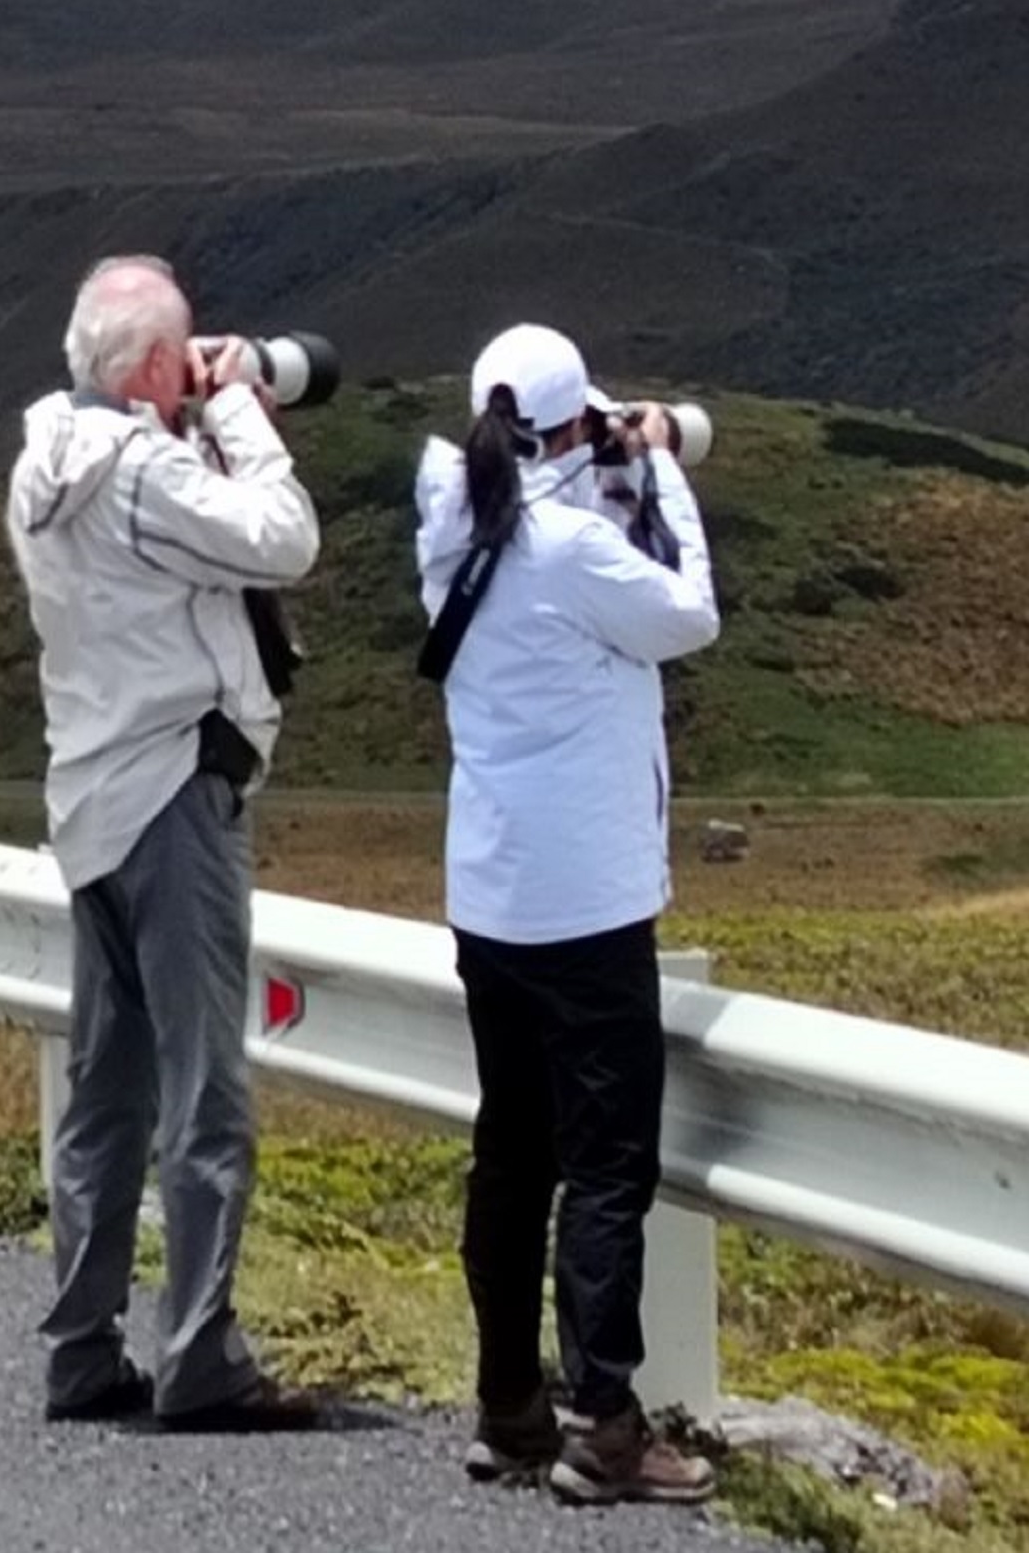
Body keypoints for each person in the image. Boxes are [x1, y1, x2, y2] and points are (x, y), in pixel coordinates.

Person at [2, 252, 330, 1430]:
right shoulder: (140, 474)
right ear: (154, 368)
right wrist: (236, 405)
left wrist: (184, 408)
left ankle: (83, 1347)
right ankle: (200, 1351)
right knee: (205, 1088)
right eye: (181, 353)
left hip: (90, 802)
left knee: (106, 1091)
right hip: (173, 799)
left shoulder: (44, 458)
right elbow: (284, 538)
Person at [413, 319, 722, 1506]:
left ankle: (508, 1406)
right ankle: (605, 1420)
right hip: (590, 903)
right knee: (605, 1166)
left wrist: (599, 458)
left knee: (512, 1150)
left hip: (489, 893)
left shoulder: (452, 508)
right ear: (562, 430)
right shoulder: (571, 552)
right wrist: (666, 473)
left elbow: (516, 484)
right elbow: (689, 614)